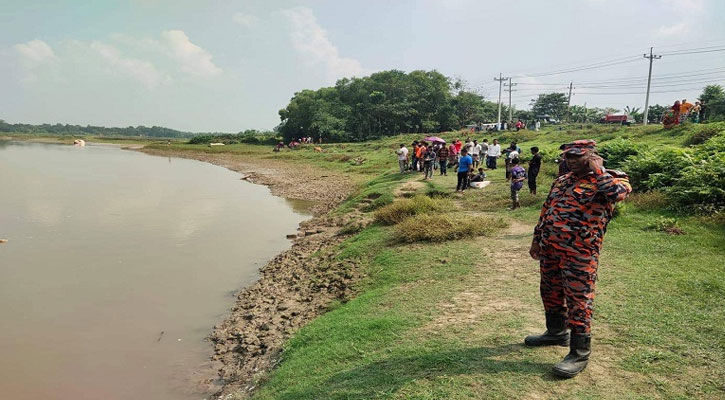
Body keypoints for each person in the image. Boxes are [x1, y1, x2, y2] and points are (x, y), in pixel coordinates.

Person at [527, 140, 632, 378]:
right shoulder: (562, 180)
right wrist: (536, 239)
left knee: (578, 300)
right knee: (550, 292)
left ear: (592, 156)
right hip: (551, 249)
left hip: (580, 253)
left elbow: (617, 195)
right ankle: (556, 332)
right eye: (568, 156)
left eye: (577, 156)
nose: (571, 160)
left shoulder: (613, 180)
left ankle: (579, 353)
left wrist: (599, 171)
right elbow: (547, 211)